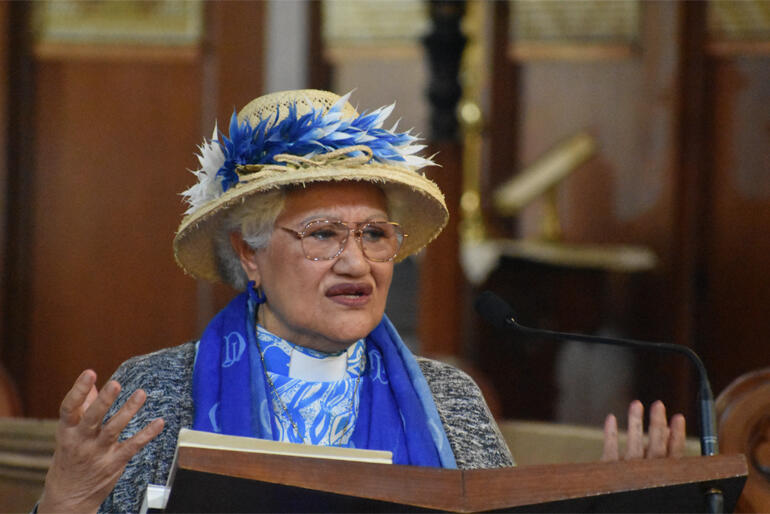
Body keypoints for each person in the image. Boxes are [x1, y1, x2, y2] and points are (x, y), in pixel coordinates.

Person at [37, 90, 685, 513]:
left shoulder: (450, 400)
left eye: (375, 234)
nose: (358, 262)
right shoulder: (154, 392)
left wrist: (621, 505)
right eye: (323, 235)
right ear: (251, 253)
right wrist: (65, 502)